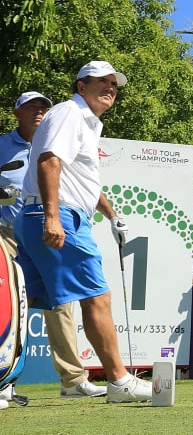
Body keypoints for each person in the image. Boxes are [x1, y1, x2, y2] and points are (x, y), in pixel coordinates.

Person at [12, 61, 153, 402]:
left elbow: (81, 179)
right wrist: (52, 216)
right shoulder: (69, 113)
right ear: (81, 86)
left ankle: (5, 382)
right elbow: (49, 161)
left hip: (43, 214)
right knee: (97, 297)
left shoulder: (86, 122)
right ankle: (120, 381)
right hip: (58, 215)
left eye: (113, 84)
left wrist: (111, 214)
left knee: (20, 302)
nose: (110, 88)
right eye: (101, 82)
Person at [0, 91, 104, 401]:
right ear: (16, 112)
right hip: (5, 233)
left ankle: (72, 380)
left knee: (61, 303)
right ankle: (5, 379)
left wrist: (111, 215)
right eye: (31, 106)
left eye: (43, 107)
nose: (38, 111)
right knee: (10, 305)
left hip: (44, 232)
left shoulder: (59, 138)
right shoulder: (2, 145)